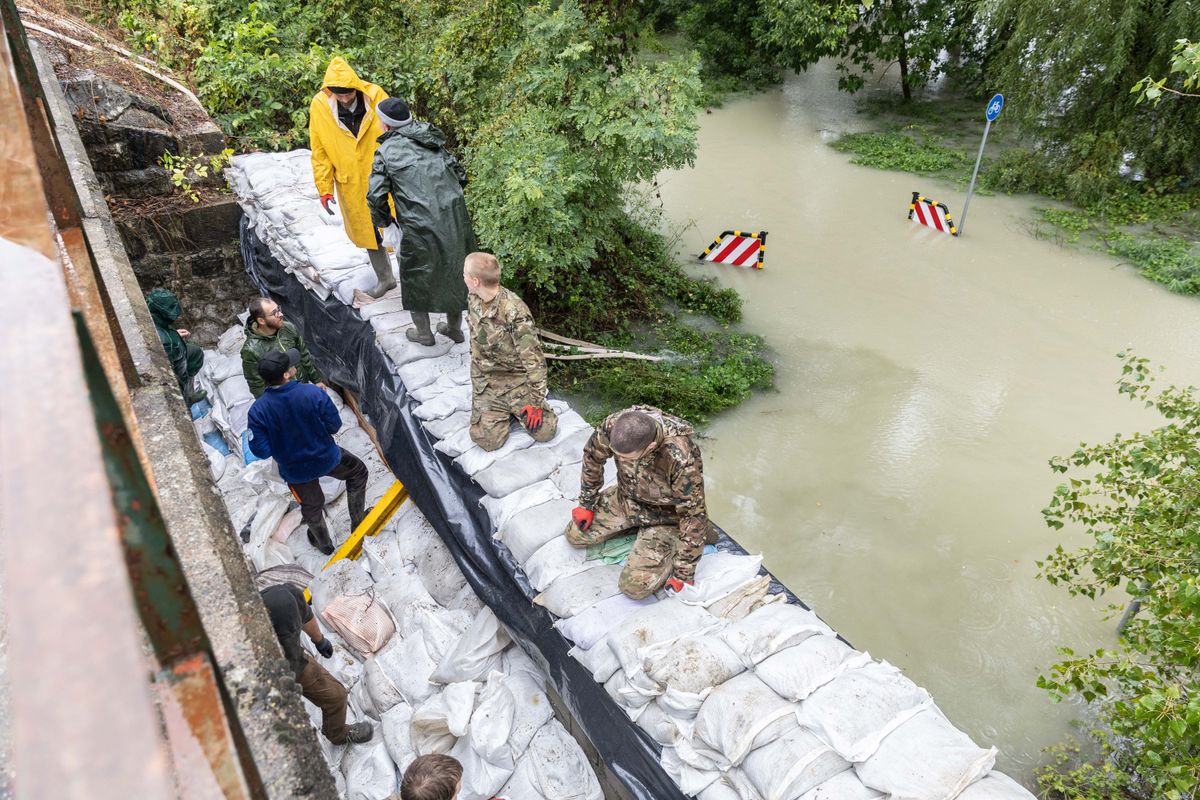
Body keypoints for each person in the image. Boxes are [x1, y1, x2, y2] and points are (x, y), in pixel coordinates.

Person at [563, 405, 716, 599]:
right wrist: (586, 503)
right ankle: (633, 526)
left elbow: (693, 515)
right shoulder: (615, 425)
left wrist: (683, 573)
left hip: (666, 517)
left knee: (634, 588)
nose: (618, 458)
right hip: (627, 500)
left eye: (626, 457)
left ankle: (670, 540)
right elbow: (593, 457)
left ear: (650, 447)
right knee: (575, 535)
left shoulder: (680, 456)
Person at [366, 98, 473, 346]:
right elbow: (461, 176)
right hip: (454, 219)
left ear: (386, 126)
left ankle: (424, 333)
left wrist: (386, 222)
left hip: (417, 223)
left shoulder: (385, 152)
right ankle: (454, 329)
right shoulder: (432, 140)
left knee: (415, 274)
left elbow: (375, 196)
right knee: (454, 269)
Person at [246, 349, 368, 555]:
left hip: (295, 471)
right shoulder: (313, 393)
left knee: (312, 506)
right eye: (290, 366)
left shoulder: (258, 411)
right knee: (358, 473)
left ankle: (324, 544)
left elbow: (261, 450)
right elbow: (334, 425)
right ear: (286, 375)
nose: (295, 366)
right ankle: (358, 523)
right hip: (327, 458)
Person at [309, 56, 396, 298]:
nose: (346, 98)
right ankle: (385, 278)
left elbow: (397, 135)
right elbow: (320, 150)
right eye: (340, 95)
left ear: (356, 87)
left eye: (349, 93)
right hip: (351, 181)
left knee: (397, 226)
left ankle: (413, 280)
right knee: (367, 232)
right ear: (330, 92)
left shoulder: (376, 96)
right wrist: (324, 188)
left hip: (384, 176)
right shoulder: (320, 106)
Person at [462, 252, 558, 451]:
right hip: (486, 380)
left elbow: (534, 362)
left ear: (475, 280)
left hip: (516, 380)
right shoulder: (473, 298)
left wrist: (536, 403)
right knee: (487, 441)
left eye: (464, 274)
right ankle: (504, 413)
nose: (462, 278)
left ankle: (515, 411)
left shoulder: (514, 312)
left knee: (546, 431)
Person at [260, 583, 373, 745]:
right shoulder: (250, 628)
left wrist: (319, 640)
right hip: (263, 674)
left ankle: (337, 733)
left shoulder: (290, 595)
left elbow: (306, 617)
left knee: (336, 695)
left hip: (294, 661)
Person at [240, 296, 327, 398]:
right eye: (274, 313)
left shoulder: (288, 328)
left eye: (278, 309)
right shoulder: (251, 350)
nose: (281, 314)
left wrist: (317, 380)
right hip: (282, 397)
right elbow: (256, 384)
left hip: (302, 387)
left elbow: (304, 355)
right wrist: (272, 406)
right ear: (261, 320)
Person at [145, 288, 206, 404]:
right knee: (180, 376)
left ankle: (190, 392)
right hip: (172, 362)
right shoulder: (167, 344)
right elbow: (170, 374)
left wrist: (174, 334)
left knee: (195, 353)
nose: (176, 313)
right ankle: (186, 400)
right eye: (171, 308)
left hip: (175, 347)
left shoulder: (153, 319)